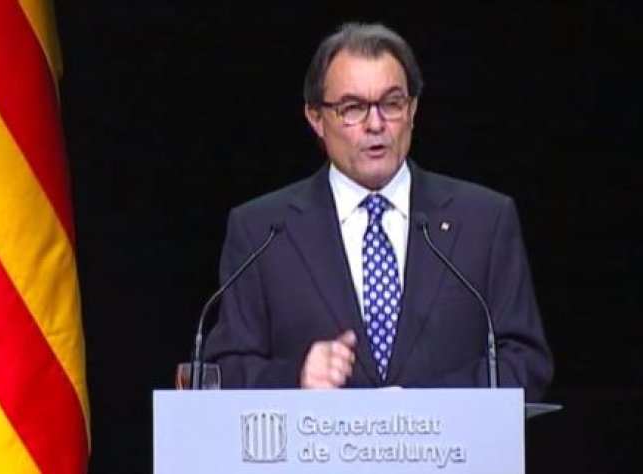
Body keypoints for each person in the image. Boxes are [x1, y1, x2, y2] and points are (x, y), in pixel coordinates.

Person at [203, 22, 553, 402]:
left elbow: (525, 362)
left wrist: (415, 409)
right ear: (316, 118)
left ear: (413, 109)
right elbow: (222, 372)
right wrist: (296, 377)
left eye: (391, 104)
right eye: (353, 108)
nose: (375, 124)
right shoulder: (263, 230)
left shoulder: (484, 220)